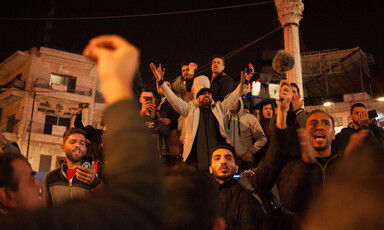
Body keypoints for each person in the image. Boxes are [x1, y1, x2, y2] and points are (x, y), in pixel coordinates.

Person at [0, 35, 165, 229]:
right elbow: (130, 205)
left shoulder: (98, 171)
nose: (38, 185)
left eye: (82, 142)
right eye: (30, 181)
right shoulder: (51, 180)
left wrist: (97, 183)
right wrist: (117, 88)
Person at [210, 82, 296, 230]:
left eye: (228, 158)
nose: (223, 161)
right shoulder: (205, 197)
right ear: (210, 168)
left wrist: (282, 114)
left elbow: (274, 159)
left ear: (236, 166)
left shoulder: (251, 183)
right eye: (217, 158)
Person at [150, 62, 253, 171]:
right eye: (203, 94)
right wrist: (160, 81)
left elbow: (234, 96)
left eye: (208, 93)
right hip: (193, 162)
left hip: (215, 163)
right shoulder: (189, 110)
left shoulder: (219, 109)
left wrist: (245, 81)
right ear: (197, 97)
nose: (206, 95)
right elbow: (173, 99)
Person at [277, 109, 342, 229]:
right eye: (313, 124)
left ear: (333, 134)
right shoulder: (292, 166)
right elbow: (289, 202)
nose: (320, 127)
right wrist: (305, 166)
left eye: (325, 123)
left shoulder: (347, 164)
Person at [43, 128, 103, 207]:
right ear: (63, 147)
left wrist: (94, 183)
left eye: (82, 143)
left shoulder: (96, 172)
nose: (77, 145)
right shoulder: (51, 177)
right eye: (73, 142)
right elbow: (46, 210)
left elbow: (111, 202)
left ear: (85, 149)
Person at [224, 98, 267, 173]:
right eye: (229, 100)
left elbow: (262, 138)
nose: (231, 102)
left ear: (240, 102)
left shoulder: (250, 118)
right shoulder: (223, 120)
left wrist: (251, 151)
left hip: (245, 161)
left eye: (234, 100)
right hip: (227, 161)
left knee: (246, 184)